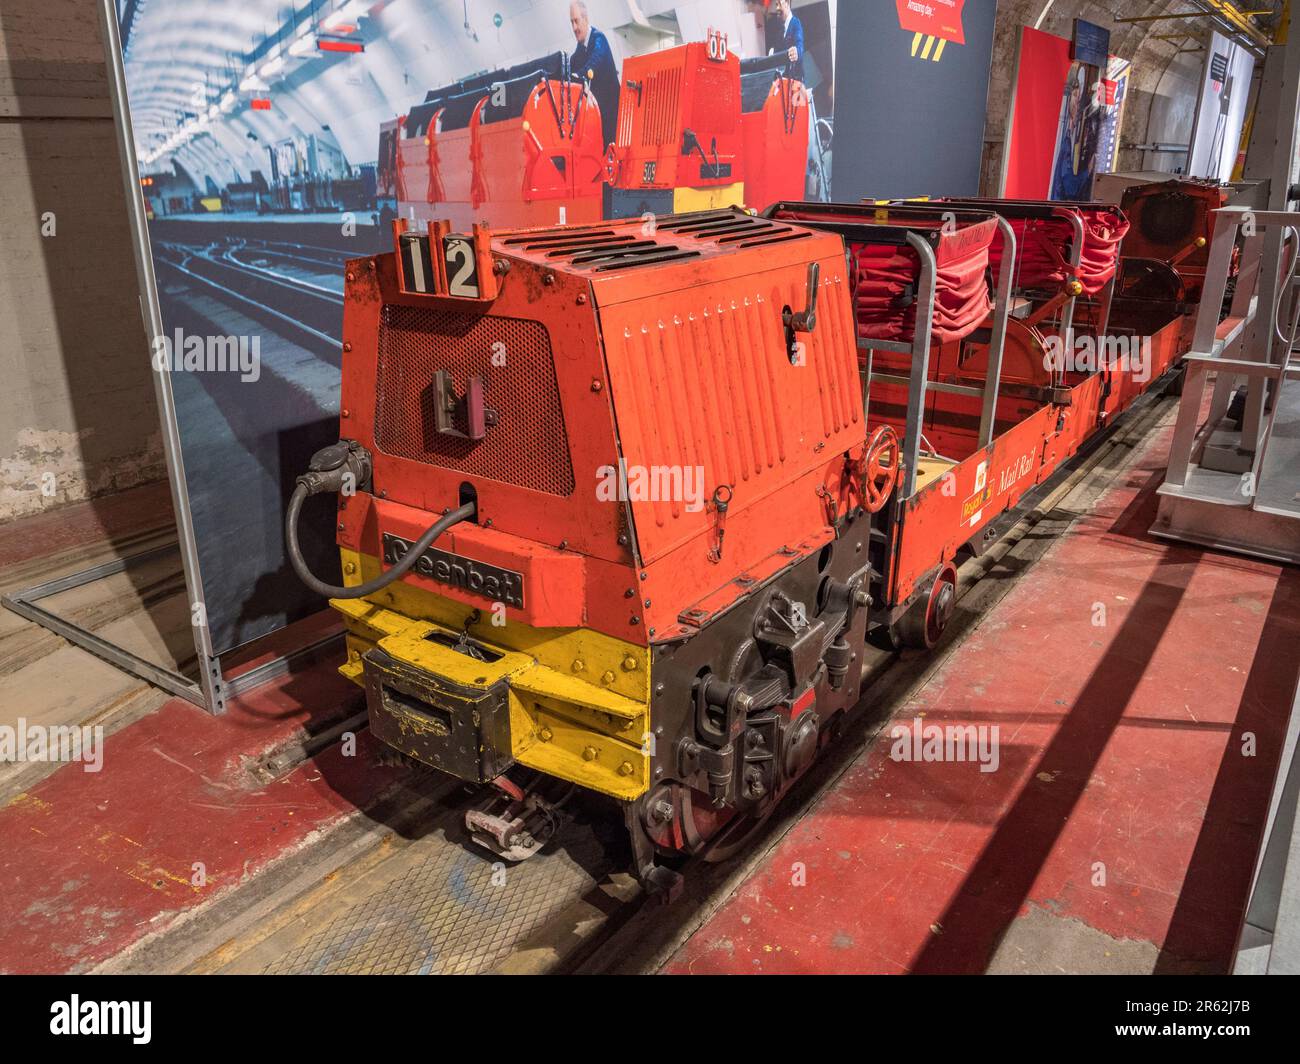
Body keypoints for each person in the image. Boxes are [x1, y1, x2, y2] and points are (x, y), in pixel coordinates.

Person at [570, 1, 621, 150]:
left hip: (613, 117)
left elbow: (593, 63)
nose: (574, 27)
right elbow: (571, 69)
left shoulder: (599, 40)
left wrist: (578, 76)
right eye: (571, 22)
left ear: (585, 19)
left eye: (576, 21)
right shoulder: (578, 53)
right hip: (596, 121)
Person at [772, 0, 805, 84]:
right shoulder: (780, 31)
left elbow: (799, 44)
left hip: (795, 82)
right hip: (785, 83)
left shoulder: (795, 23)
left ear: (787, 4)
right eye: (776, 5)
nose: (777, 8)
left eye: (779, 4)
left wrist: (797, 52)